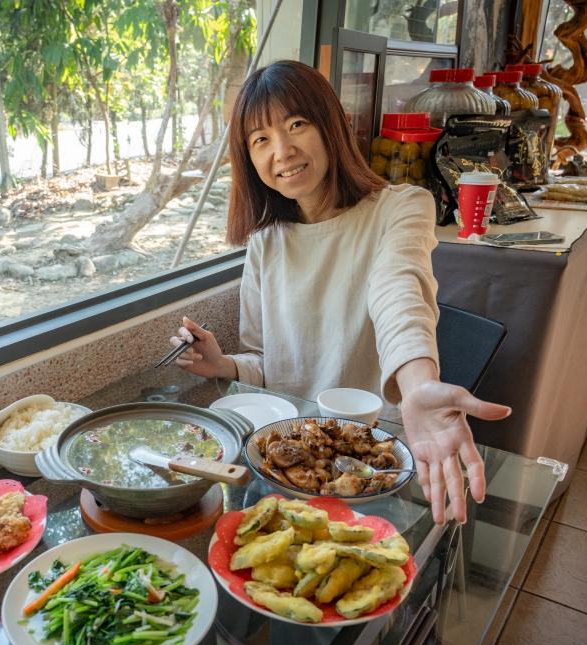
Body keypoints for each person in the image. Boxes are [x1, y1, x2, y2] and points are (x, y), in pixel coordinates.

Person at [170, 60, 510, 524]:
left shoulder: (402, 207)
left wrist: (418, 386)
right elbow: (270, 361)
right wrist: (223, 365)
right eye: (261, 139)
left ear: (332, 126)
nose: (283, 151)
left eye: (297, 125)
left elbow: (400, 291)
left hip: (372, 466)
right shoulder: (266, 242)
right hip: (285, 467)